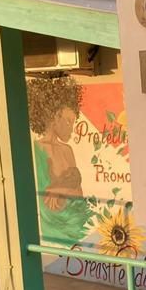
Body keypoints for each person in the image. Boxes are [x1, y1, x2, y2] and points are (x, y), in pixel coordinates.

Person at [27, 75, 93, 245]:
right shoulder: (36, 149)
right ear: (55, 117)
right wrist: (61, 189)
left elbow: (78, 193)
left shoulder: (67, 150)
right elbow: (41, 197)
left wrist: (58, 189)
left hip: (73, 223)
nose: (72, 128)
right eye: (69, 121)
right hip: (50, 228)